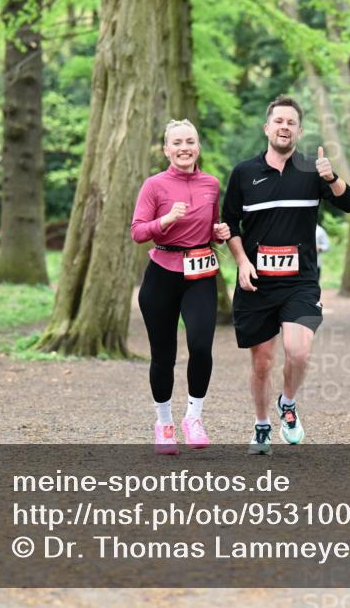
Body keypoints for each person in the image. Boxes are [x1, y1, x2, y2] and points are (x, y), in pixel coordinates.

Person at [222, 96, 350, 454]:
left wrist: (332, 178)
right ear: (267, 128)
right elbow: (228, 223)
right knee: (262, 362)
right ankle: (262, 425)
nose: (284, 127)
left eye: (291, 122)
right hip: (257, 282)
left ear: (299, 130)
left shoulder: (313, 171)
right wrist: (241, 261)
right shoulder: (243, 173)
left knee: (299, 353)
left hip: (300, 281)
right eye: (278, 121)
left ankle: (288, 403)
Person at [131, 119, 231, 455]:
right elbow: (138, 232)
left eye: (190, 141)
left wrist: (218, 232)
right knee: (164, 356)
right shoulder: (154, 185)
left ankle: (194, 417)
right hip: (161, 273)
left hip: (200, 275)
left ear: (197, 147)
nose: (184, 148)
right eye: (177, 143)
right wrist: (167, 220)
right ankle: (163, 424)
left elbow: (213, 224)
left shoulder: (211, 184)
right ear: (166, 149)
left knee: (201, 346)